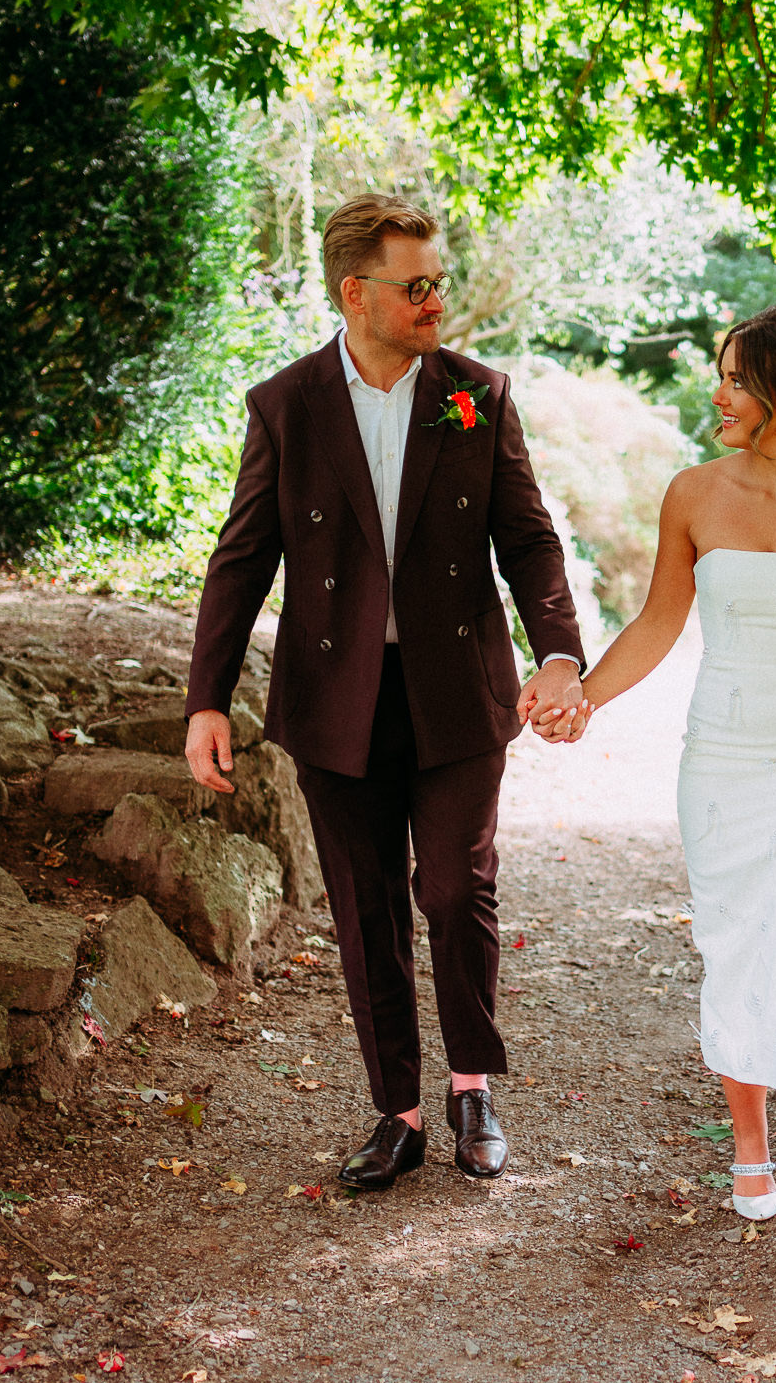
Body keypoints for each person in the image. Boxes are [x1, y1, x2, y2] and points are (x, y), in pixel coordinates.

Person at [183, 193, 586, 1190]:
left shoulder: (475, 395)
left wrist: (561, 654)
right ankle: (398, 1110)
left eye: (439, 282)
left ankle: (474, 1087)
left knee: (456, 890)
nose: (435, 300)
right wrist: (206, 700)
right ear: (356, 292)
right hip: (335, 695)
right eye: (418, 286)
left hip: (456, 689)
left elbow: (527, 535)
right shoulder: (287, 404)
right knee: (365, 906)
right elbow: (242, 560)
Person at [536, 295, 776, 1242]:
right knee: (736, 941)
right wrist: (583, 694)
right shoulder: (693, 493)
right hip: (722, 752)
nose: (715, 392)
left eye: (733, 376)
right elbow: (662, 622)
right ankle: (746, 1147)